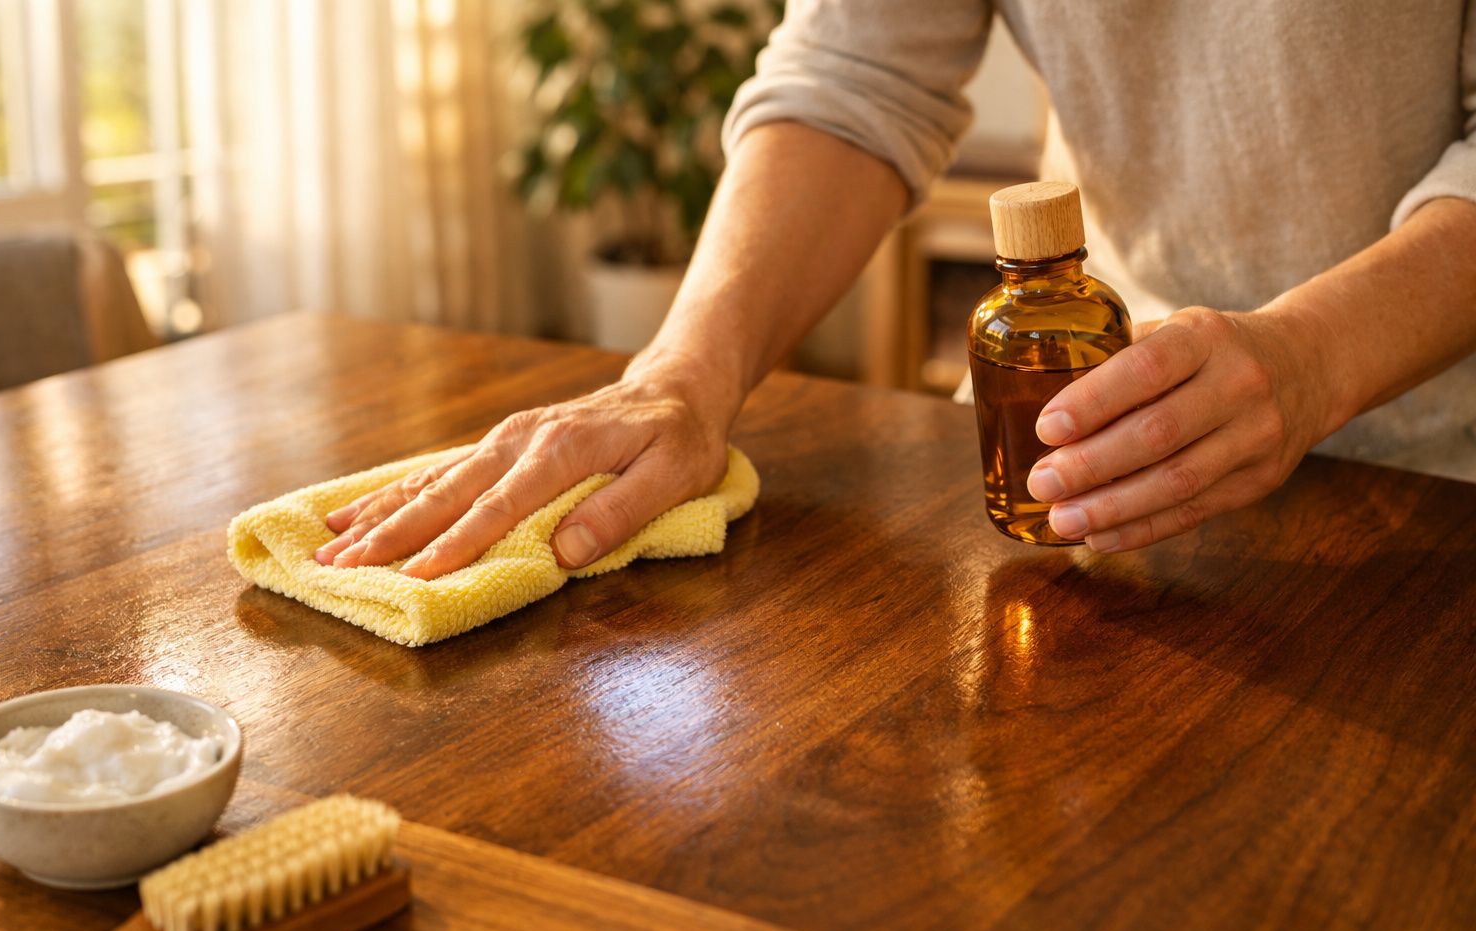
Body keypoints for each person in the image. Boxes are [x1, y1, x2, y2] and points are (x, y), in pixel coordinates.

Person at [316, 1, 1476, 578]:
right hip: (1118, 463)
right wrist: (677, 376)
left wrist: (1315, 357)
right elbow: (854, 72)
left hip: (1442, 480)